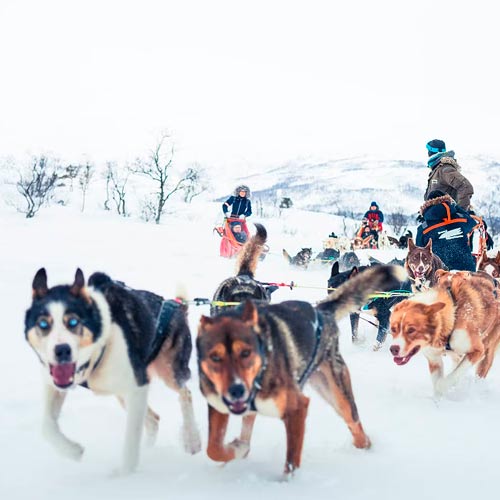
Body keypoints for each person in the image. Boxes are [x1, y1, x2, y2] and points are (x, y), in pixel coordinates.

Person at [416, 190, 477, 271]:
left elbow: (418, 253)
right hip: (466, 272)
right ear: (448, 201)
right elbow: (472, 223)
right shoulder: (460, 219)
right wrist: (456, 207)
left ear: (426, 205)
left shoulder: (423, 229)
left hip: (440, 275)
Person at [424, 139, 474, 211]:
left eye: (428, 150)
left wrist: (460, 211)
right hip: (438, 218)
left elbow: (465, 186)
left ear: (431, 152)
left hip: (447, 219)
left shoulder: (445, 169)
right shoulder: (436, 170)